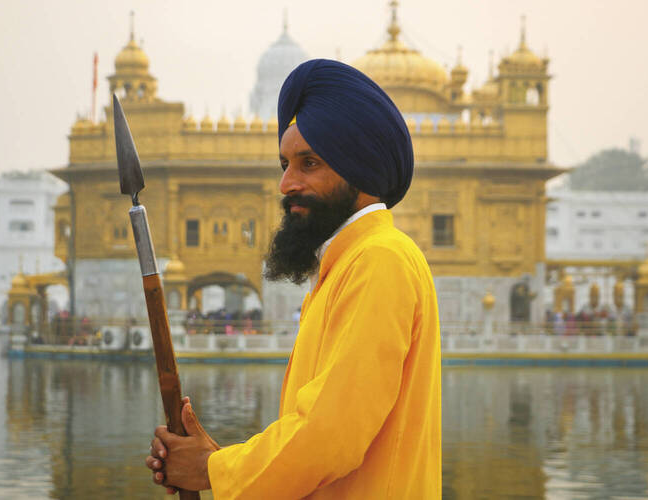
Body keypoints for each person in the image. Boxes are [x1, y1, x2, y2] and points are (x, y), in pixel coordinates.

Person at [144, 59, 442, 498]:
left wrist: (213, 470)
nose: (286, 183)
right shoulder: (345, 265)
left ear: (358, 168)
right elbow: (316, 425)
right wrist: (214, 458)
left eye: (309, 163)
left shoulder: (379, 260)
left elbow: (329, 436)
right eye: (285, 163)